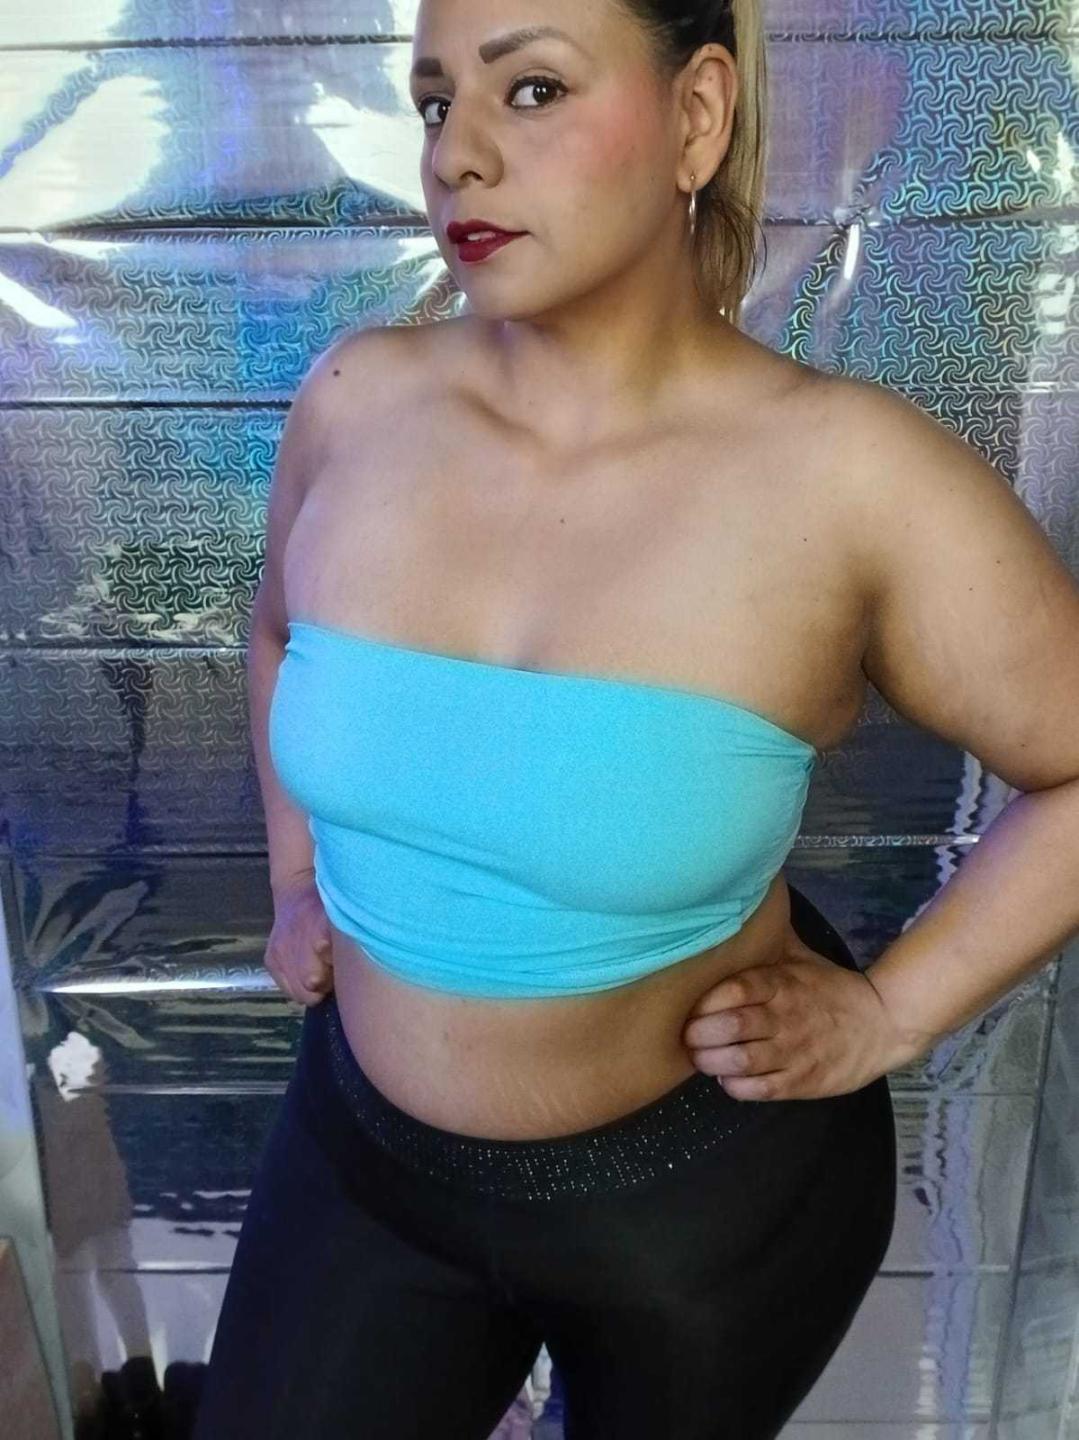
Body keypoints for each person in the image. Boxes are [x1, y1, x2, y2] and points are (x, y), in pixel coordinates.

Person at [193, 1, 1079, 1436]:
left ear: (697, 116)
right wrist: (298, 878)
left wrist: (890, 1013)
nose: (458, 156)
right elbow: (276, 632)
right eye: (435, 103)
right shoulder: (359, 400)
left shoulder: (851, 480)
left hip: (703, 1221)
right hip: (365, 1168)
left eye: (533, 90)